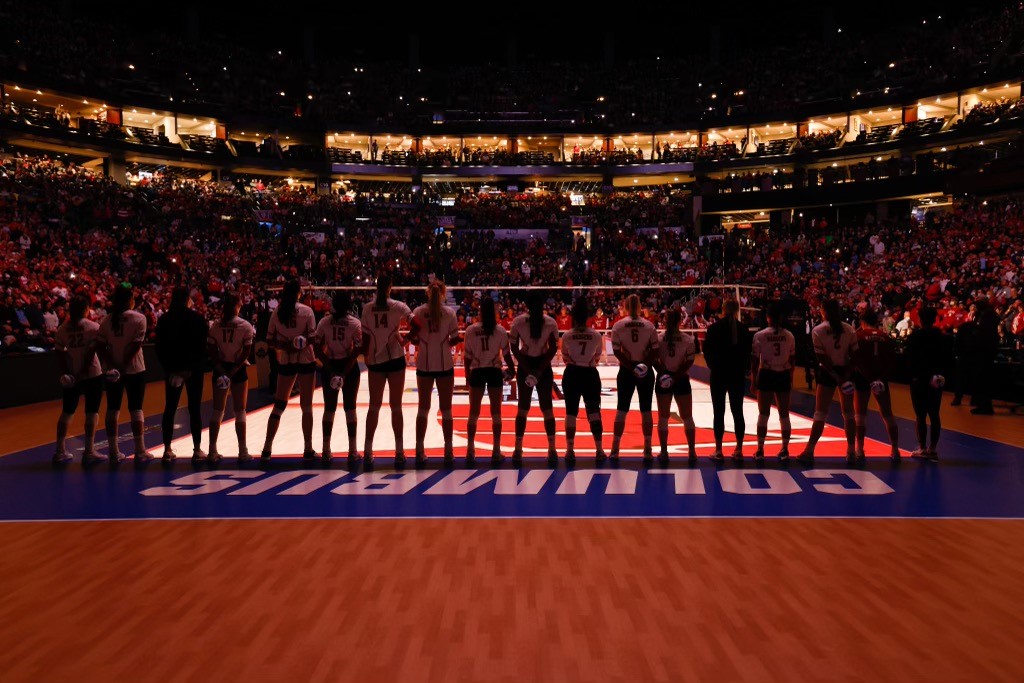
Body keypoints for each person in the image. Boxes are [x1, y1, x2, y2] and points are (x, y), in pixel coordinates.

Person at [96, 282, 152, 464]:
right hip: (134, 369)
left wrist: (113, 365)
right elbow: (136, 345)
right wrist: (122, 365)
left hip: (112, 371)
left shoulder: (106, 320)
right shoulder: (138, 318)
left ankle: (113, 451)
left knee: (113, 408)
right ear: (130, 300)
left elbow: (100, 346)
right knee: (136, 408)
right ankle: (140, 450)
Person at [261, 279, 317, 460]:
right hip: (306, 359)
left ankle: (266, 449)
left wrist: (285, 345)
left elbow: (269, 341)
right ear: (299, 293)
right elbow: (312, 338)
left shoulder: (277, 312)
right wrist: (300, 343)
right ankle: (308, 449)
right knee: (306, 406)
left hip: (286, 360)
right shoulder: (307, 311)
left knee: (279, 404)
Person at [797, 299, 858, 464]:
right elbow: (855, 356)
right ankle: (851, 451)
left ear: (823, 311)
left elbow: (822, 359)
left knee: (820, 413)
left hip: (828, 374)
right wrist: (846, 375)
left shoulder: (818, 330)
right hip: (845, 372)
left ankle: (809, 451)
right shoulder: (849, 329)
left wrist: (836, 376)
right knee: (849, 413)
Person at [360, 273, 411, 467]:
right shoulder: (398, 306)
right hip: (396, 358)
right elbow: (416, 324)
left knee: (374, 406)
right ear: (390, 286)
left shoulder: (367, 308)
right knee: (395, 406)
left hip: (376, 360)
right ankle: (399, 451)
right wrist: (406, 340)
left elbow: (365, 337)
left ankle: (367, 450)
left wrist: (366, 355)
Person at [155, 287, 209, 464]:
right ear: (187, 299)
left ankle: (167, 449)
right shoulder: (197, 319)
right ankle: (197, 449)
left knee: (169, 408)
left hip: (172, 370)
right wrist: (190, 369)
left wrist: (170, 369)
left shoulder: (164, 319)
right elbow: (202, 348)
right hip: (193, 370)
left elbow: (160, 348)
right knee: (194, 409)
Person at [408, 280, 460, 464]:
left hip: (425, 364)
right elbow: (455, 339)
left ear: (427, 293)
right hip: (444, 364)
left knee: (423, 408)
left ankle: (419, 449)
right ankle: (448, 450)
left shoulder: (418, 312)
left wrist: (421, 342)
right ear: (444, 293)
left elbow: (412, 337)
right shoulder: (449, 313)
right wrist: (443, 343)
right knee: (446, 409)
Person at [52, 294, 104, 465]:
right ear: (86, 309)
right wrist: (82, 372)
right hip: (92, 374)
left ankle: (60, 450)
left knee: (67, 411)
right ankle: (89, 450)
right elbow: (90, 353)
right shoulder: (94, 327)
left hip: (72, 376)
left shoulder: (62, 329)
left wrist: (68, 372)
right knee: (91, 412)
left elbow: (59, 352)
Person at [312, 290, 362, 464]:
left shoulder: (324, 322)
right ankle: (353, 451)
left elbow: (317, 349)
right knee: (350, 408)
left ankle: (326, 450)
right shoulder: (354, 323)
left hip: (330, 366)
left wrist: (331, 369)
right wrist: (344, 371)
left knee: (329, 408)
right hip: (348, 367)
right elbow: (357, 349)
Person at [463, 296, 514, 464]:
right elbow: (506, 355)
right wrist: (512, 370)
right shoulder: (499, 330)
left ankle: (470, 450)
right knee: (496, 413)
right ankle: (496, 450)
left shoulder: (471, 330)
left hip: (477, 371)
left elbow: (467, 357)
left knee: (473, 412)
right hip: (493, 371)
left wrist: (467, 376)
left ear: (480, 312)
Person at [509, 293, 559, 465]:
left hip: (526, 364)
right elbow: (553, 348)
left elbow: (514, 347)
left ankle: (518, 448)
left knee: (523, 408)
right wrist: (539, 370)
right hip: (543, 366)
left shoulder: (518, 322)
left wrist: (527, 368)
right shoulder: (550, 322)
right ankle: (552, 449)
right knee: (547, 408)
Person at [610, 293, 659, 462]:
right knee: (646, 409)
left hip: (627, 370)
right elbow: (654, 349)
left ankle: (615, 448)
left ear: (625, 306)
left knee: (621, 409)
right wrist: (643, 365)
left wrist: (631, 366)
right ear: (639, 307)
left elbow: (616, 350)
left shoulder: (619, 325)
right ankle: (647, 448)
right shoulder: (649, 325)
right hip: (645, 370)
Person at [207, 292, 255, 463]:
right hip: (238, 369)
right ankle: (243, 451)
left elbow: (212, 351)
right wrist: (233, 371)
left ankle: (212, 451)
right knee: (240, 410)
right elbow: (246, 352)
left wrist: (221, 370)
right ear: (237, 305)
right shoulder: (245, 326)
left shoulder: (215, 326)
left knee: (217, 410)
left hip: (221, 368)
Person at [702, 299, 752, 461]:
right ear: (738, 310)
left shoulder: (714, 329)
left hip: (718, 374)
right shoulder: (743, 329)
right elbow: (747, 353)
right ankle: (739, 448)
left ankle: (718, 449)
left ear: (722, 310)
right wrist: (744, 369)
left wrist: (713, 366)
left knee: (719, 412)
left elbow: (707, 351)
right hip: (736, 375)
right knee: (738, 411)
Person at [559, 297, 606, 464]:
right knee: (593, 411)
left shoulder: (567, 335)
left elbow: (565, 357)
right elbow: (597, 357)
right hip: (589, 372)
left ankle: (570, 449)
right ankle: (599, 449)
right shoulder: (595, 335)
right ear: (587, 317)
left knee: (571, 412)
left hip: (572, 373)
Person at [851, 309, 900, 462]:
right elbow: (892, 361)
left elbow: (855, 360)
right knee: (887, 414)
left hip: (863, 378)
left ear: (862, 321)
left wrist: (867, 376)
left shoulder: (858, 336)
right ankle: (895, 449)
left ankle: (859, 450)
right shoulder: (885, 336)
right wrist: (880, 378)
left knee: (860, 416)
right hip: (880, 378)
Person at [905, 307, 953, 460]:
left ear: (920, 319)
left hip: (919, 379)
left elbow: (910, 359)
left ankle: (922, 447)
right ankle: (933, 448)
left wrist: (913, 376)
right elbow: (947, 359)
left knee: (920, 415)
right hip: (935, 379)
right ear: (934, 319)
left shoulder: (914, 337)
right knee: (934, 414)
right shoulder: (942, 336)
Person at [750, 302, 796, 462]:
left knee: (763, 414)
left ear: (767, 318)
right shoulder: (789, 335)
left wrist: (753, 380)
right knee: (784, 414)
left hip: (766, 374)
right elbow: (792, 360)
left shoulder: (760, 335)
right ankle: (784, 449)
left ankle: (760, 449)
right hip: (782, 373)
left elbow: (755, 361)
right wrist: (790, 377)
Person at [654, 307, 697, 463]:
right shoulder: (688, 339)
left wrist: (664, 374)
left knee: (663, 417)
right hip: (681, 379)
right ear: (680, 321)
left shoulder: (658, 339)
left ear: (665, 321)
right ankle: (692, 451)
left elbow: (653, 359)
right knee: (687, 417)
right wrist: (677, 376)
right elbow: (689, 361)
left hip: (663, 378)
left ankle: (664, 452)